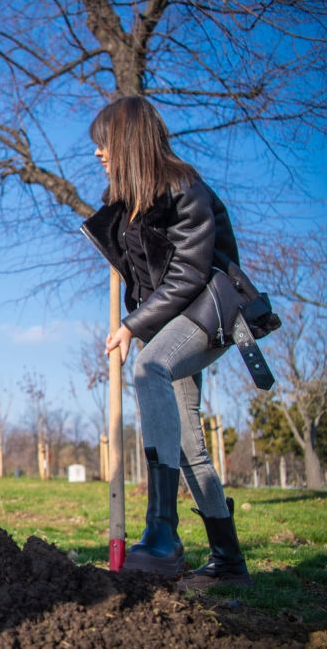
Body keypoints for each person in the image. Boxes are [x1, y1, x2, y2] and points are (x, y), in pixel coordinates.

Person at [81, 96, 251, 589]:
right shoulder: (130, 205)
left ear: (129, 139)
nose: (98, 154)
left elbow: (190, 274)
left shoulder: (183, 187)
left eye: (105, 143)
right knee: (190, 447)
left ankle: (162, 530)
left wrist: (133, 326)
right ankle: (229, 563)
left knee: (148, 368)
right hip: (169, 323)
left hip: (207, 309)